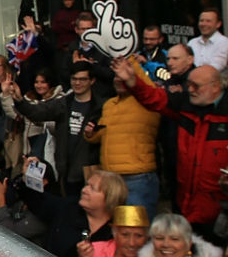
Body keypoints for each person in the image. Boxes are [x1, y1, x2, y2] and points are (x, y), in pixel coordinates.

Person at [116, 57, 228, 240]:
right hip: (185, 203)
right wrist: (132, 81)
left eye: (196, 86)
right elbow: (154, 98)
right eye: (189, 84)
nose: (189, 89)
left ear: (215, 87)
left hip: (219, 210)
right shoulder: (185, 104)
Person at [13, 64, 104, 197]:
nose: (77, 83)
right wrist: (19, 100)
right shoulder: (64, 103)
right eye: (74, 79)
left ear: (92, 81)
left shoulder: (100, 107)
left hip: (90, 172)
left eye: (83, 79)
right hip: (66, 170)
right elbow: (38, 112)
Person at [84, 69, 160, 212]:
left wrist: (126, 52)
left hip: (137, 178)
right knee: (117, 228)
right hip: (111, 178)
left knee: (136, 228)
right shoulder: (109, 104)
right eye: (116, 76)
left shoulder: (146, 101)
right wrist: (91, 134)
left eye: (123, 77)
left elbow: (148, 85)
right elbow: (103, 134)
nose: (118, 80)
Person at [73, 204, 148, 257]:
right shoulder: (94, 250)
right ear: (114, 233)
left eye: (139, 236)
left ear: (147, 237)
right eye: (125, 235)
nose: (132, 243)